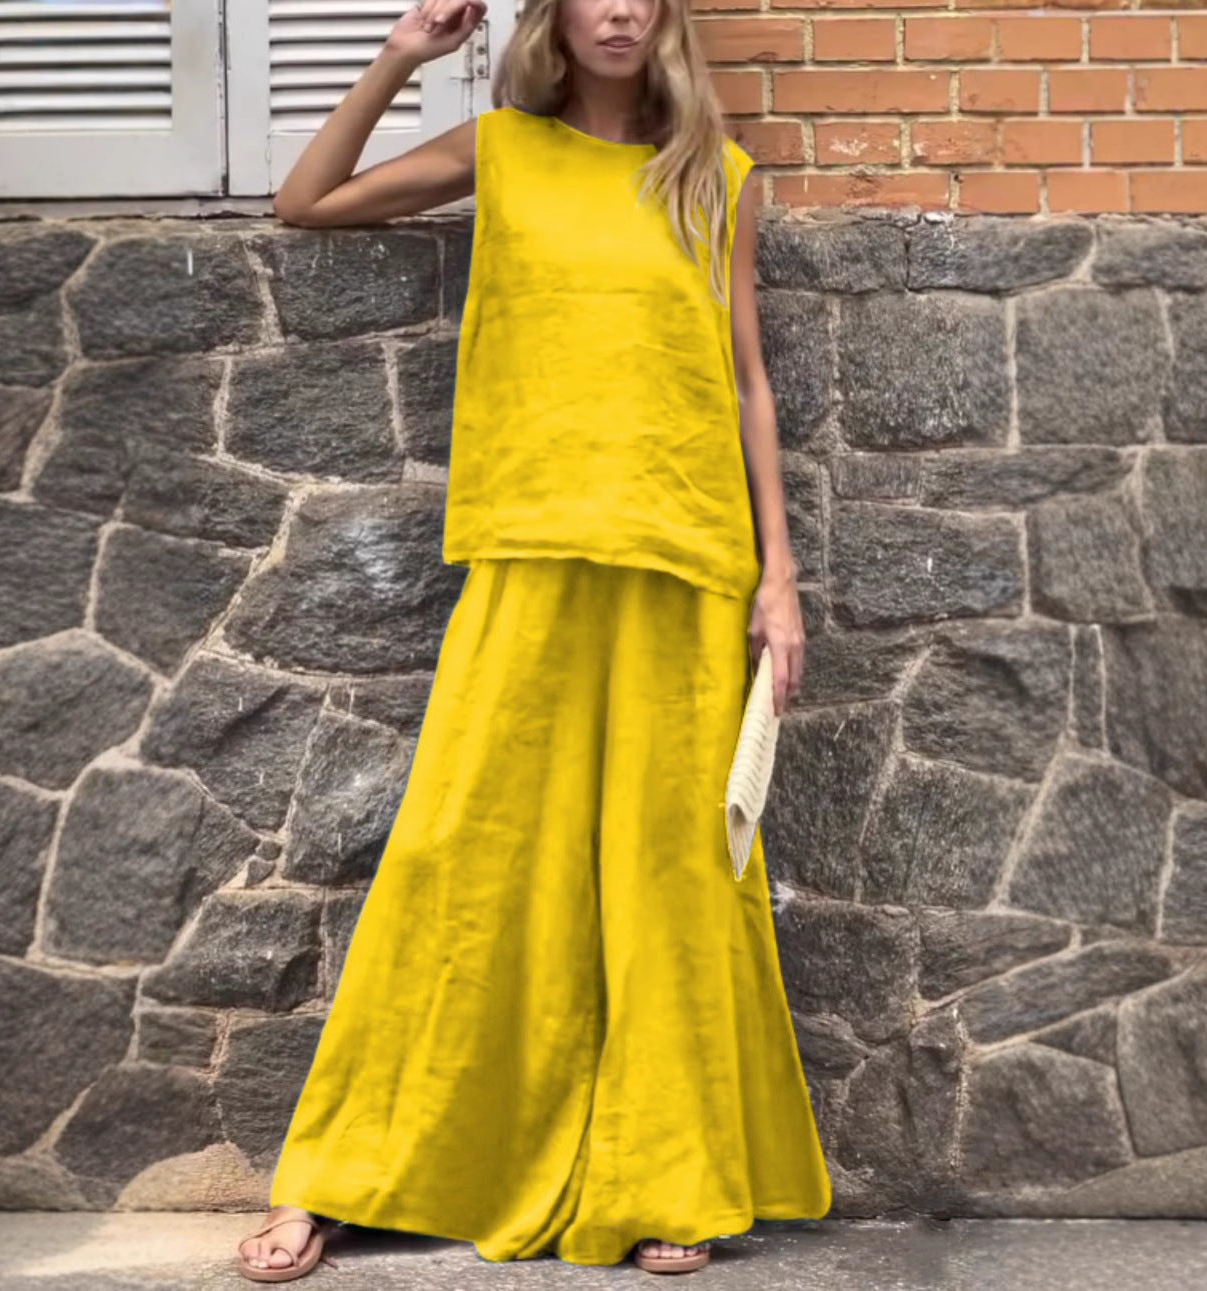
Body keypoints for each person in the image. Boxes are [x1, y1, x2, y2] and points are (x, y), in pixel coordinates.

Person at [235, 0, 830, 1279]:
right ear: (554, 13)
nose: (620, 10)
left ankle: (669, 1175)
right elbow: (304, 200)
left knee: (675, 872)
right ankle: (342, 1175)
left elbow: (744, 380)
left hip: (685, 558)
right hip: (532, 544)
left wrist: (778, 577)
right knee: (462, 847)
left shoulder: (714, 177)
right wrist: (402, 57)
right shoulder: (499, 150)